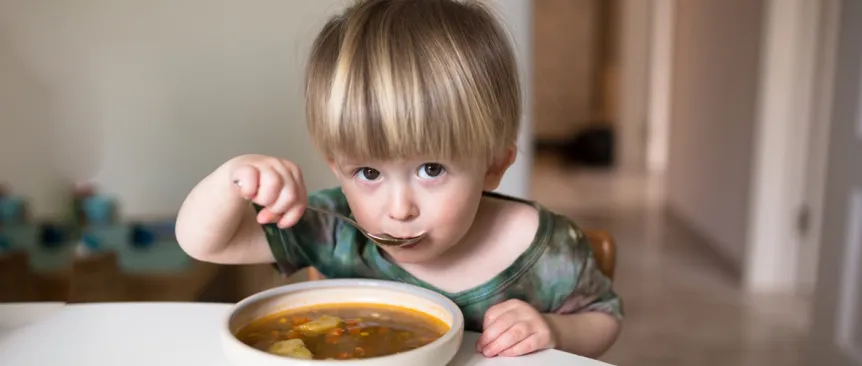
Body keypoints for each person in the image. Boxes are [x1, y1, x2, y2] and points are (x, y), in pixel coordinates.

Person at [176, 0, 622, 359]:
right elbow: (205, 244)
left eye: (431, 169)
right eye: (368, 173)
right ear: (337, 167)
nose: (399, 208)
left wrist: (555, 330)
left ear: (493, 165)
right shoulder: (333, 229)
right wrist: (232, 179)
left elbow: (604, 317)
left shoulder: (548, 250)